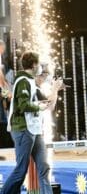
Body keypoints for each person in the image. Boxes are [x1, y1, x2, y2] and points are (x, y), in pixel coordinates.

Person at [1, 51, 63, 194]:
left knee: (44, 167)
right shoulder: (23, 81)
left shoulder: (33, 84)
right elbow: (23, 105)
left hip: (35, 130)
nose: (41, 68)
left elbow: (49, 106)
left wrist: (55, 89)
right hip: (23, 128)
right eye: (39, 63)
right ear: (34, 65)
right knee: (21, 169)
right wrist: (37, 106)